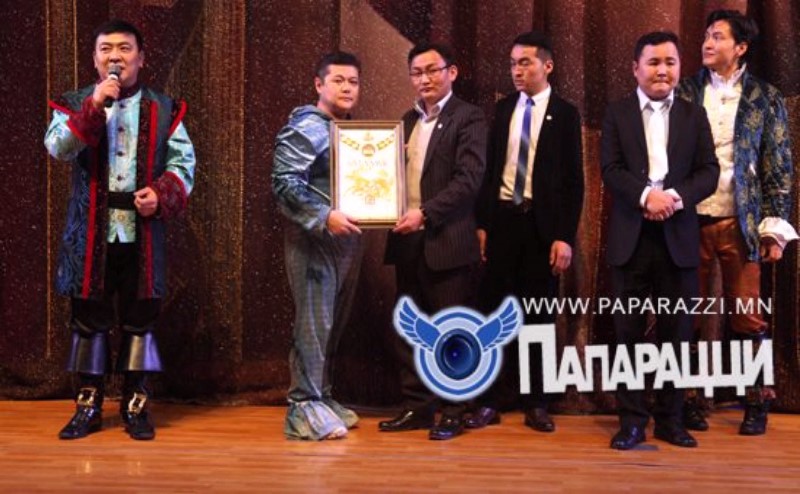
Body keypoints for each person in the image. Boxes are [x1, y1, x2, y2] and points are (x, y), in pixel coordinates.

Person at [44, 19, 196, 441]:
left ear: (141, 58)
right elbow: (58, 148)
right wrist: (94, 105)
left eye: (125, 48)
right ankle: (88, 406)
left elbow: (184, 165)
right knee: (88, 320)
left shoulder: (165, 108)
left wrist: (161, 194)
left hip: (141, 231)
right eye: (106, 49)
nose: (116, 56)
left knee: (139, 320)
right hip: (90, 231)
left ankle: (136, 405)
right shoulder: (73, 103)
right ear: (95, 59)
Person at [676, 9, 797, 436]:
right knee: (687, 316)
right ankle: (688, 401)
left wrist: (774, 228)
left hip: (740, 222)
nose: (708, 43)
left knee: (747, 318)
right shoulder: (685, 91)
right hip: (688, 220)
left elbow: (778, 164)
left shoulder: (765, 96)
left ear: (740, 47)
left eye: (718, 36)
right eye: (706, 36)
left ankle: (756, 401)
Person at [600, 31, 719, 450]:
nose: (662, 70)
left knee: (677, 336)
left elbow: (709, 172)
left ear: (680, 68)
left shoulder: (693, 115)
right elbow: (611, 169)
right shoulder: (617, 113)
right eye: (653, 62)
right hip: (630, 239)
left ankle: (671, 420)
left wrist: (674, 198)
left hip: (678, 238)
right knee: (628, 336)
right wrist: (644, 197)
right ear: (636, 68)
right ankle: (632, 422)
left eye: (670, 62)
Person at [467, 31, 584, 433]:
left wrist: (564, 235)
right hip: (502, 222)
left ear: (547, 66)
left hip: (541, 227)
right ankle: (489, 399)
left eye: (525, 63)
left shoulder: (565, 114)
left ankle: (537, 402)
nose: (517, 71)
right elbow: (489, 172)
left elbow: (573, 181)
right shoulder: (503, 109)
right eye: (513, 63)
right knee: (492, 312)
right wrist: (482, 224)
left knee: (538, 316)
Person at [379, 43, 487, 441]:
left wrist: (425, 214)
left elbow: (469, 179)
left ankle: (456, 409)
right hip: (407, 243)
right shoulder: (405, 121)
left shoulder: (469, 117)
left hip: (448, 241)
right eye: (416, 72)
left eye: (432, 70)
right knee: (410, 331)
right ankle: (417, 407)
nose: (424, 79)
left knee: (453, 331)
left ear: (451, 72)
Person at [272, 51, 364, 441]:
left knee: (331, 323)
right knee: (313, 323)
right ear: (318, 84)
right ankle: (303, 405)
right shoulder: (308, 126)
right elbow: (284, 183)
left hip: (343, 243)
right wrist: (324, 216)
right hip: (313, 241)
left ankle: (321, 397)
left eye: (353, 81)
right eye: (338, 80)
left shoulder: (344, 128)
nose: (347, 88)